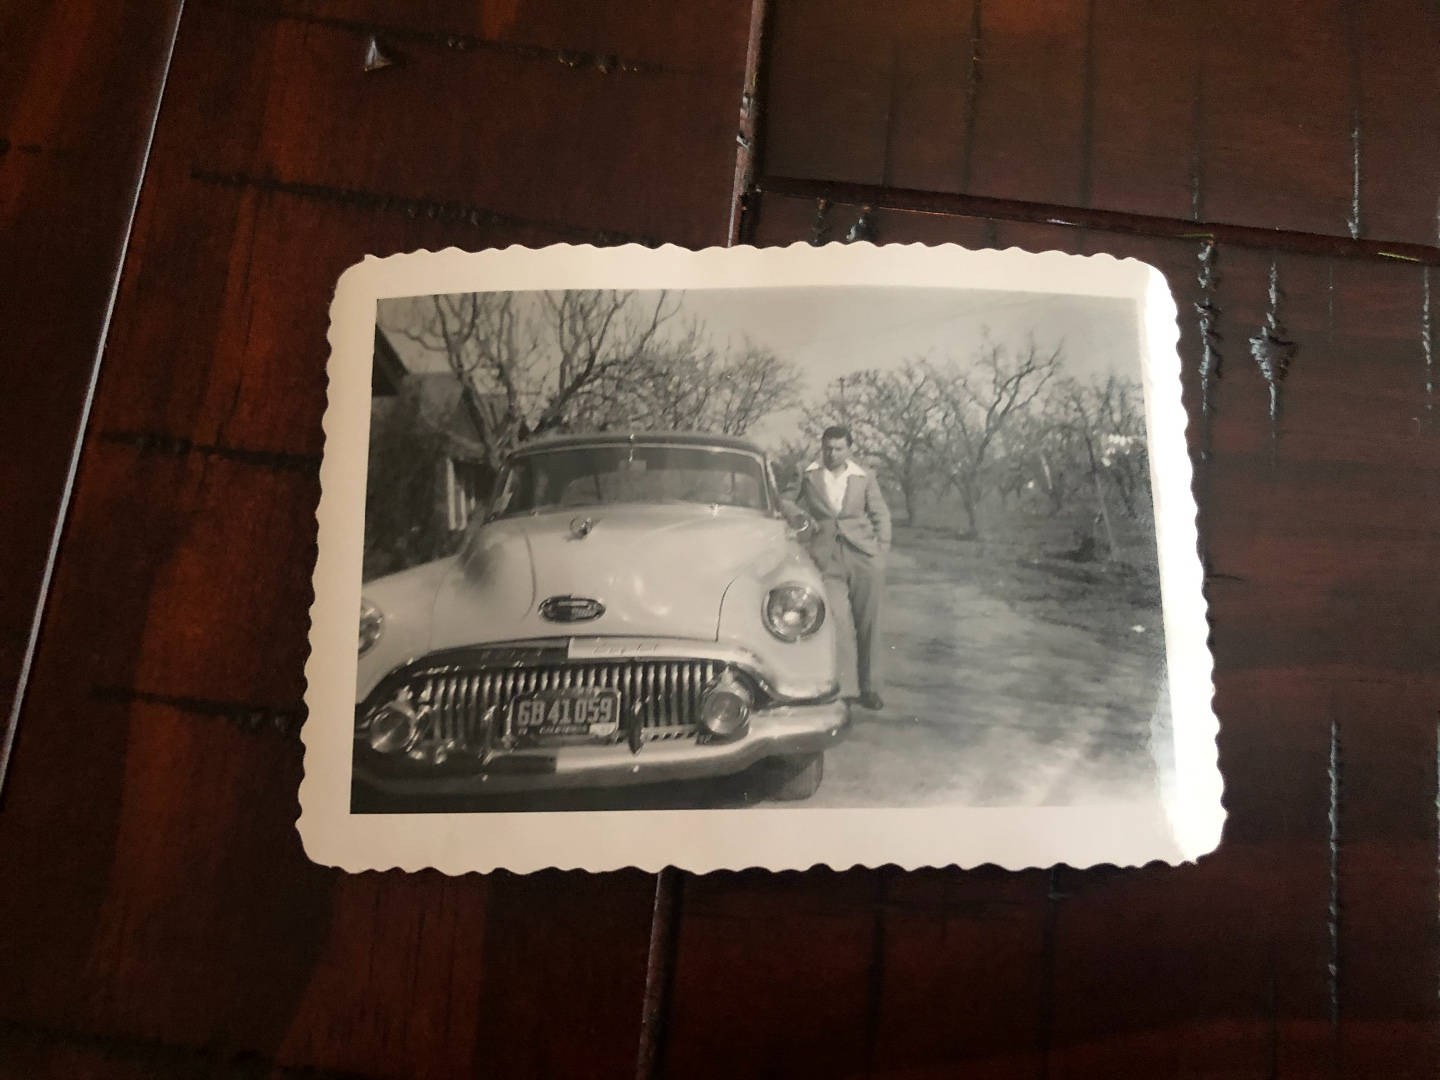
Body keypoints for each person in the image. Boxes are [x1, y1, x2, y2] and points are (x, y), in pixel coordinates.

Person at [787, 425, 891, 710]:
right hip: (826, 555)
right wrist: (802, 517)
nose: (832, 453)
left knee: (869, 622)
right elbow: (784, 500)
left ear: (849, 449)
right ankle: (846, 689)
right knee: (837, 620)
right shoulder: (806, 472)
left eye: (838, 448)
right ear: (822, 447)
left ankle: (870, 688)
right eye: (828, 448)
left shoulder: (864, 476)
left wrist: (881, 551)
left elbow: (880, 514)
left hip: (863, 556)